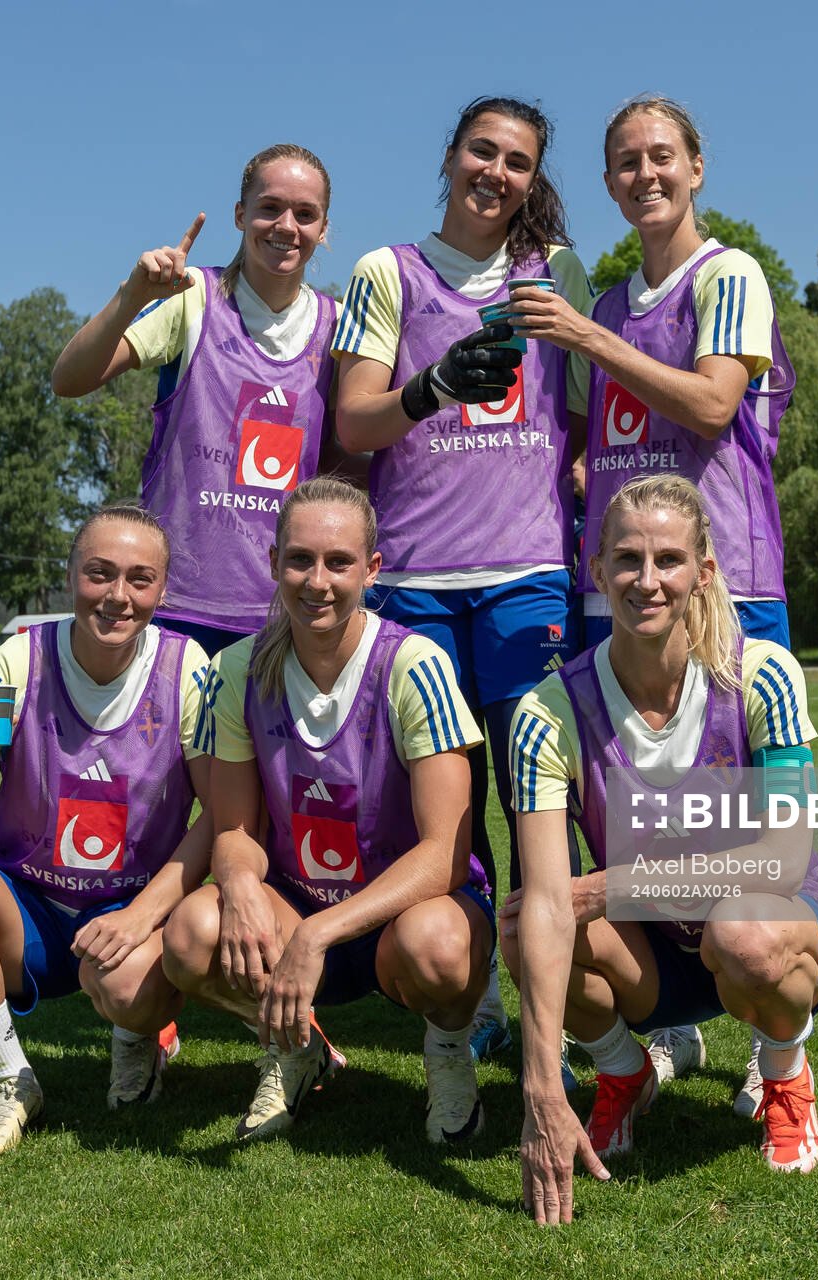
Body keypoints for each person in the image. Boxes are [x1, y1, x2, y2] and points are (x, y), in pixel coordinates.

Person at [501, 94, 796, 1088]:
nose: (644, 175)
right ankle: (656, 1012)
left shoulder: (730, 275)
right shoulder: (617, 297)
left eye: (660, 156)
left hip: (726, 579)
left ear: (697, 167)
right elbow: (591, 436)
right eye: (624, 162)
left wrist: (587, 339)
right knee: (619, 808)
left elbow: (713, 403)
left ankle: (771, 1034)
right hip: (618, 588)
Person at [503, 475, 818, 1225]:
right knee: (524, 922)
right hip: (651, 958)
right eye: (626, 559)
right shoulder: (547, 712)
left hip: (768, 931)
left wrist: (607, 888)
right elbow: (553, 906)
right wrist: (539, 1090)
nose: (647, 580)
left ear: (704, 573)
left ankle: (785, 1072)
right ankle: (624, 1073)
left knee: (745, 929)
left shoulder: (762, 675)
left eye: (668, 560)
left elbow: (782, 862)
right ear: (595, 571)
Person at [330, 96, 593, 1055]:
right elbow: (353, 425)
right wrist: (432, 387)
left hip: (530, 575)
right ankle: (476, 995)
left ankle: (565, 999)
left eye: (517, 161)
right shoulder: (385, 272)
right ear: (449, 157)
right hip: (417, 582)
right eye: (482, 151)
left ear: (532, 179)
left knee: (544, 793)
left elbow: (591, 400)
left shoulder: (556, 271)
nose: (496, 172)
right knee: (452, 800)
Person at [161, 476, 495, 1144]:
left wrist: (317, 935)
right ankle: (294, 1047)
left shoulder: (415, 665)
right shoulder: (235, 670)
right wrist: (236, 882)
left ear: (372, 570)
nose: (318, 581)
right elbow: (235, 828)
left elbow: (444, 856)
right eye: (300, 560)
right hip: (298, 904)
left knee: (441, 947)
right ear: (273, 562)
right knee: (193, 934)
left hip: (404, 916)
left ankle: (449, 1056)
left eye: (338, 562)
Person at [0, 505, 213, 1155]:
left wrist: (143, 917)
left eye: (139, 578)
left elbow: (222, 816)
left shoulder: (188, 669)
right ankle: (11, 1078)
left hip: (135, 909)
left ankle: (137, 1040)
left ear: (162, 588)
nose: (117, 597)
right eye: (99, 573)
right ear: (69, 574)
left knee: (127, 987)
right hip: (34, 912)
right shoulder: (16, 659)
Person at [52, 144, 340, 656]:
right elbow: (69, 379)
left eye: (305, 214)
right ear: (240, 215)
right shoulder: (194, 298)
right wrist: (132, 296)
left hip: (285, 612)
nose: (286, 225)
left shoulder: (337, 327)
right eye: (270, 207)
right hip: (175, 604)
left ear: (323, 229)